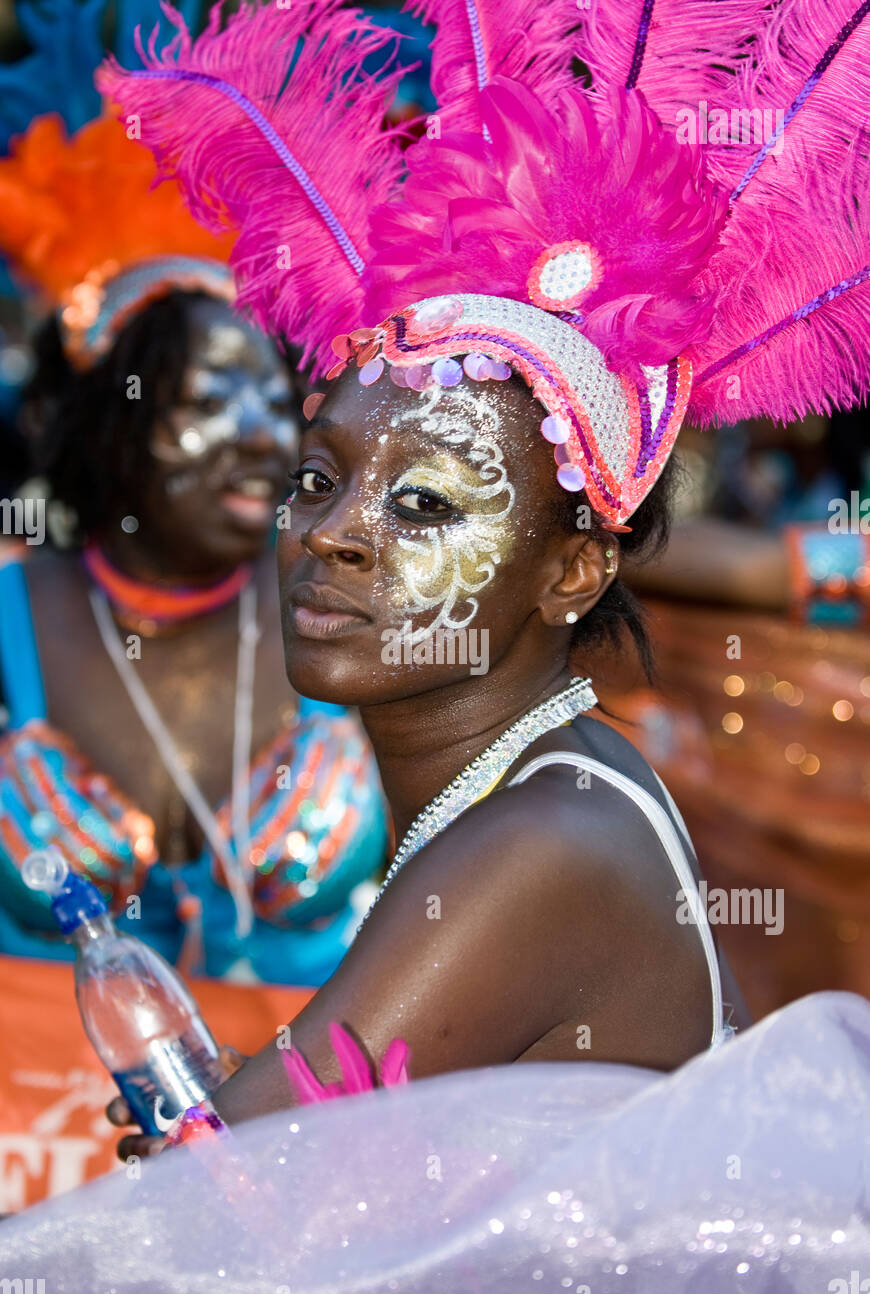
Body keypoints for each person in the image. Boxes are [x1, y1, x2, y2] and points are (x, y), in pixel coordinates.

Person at [59, 0, 870, 1223]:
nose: (331, 529)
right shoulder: (541, 782)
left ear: (573, 572)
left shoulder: (542, 844)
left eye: (428, 502)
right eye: (321, 478)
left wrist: (203, 1149)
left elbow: (205, 1221)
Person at [0, 111, 387, 985]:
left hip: (314, 1114)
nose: (265, 438)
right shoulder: (11, 613)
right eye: (211, 399)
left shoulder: (356, 605)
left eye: (277, 399)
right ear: (106, 424)